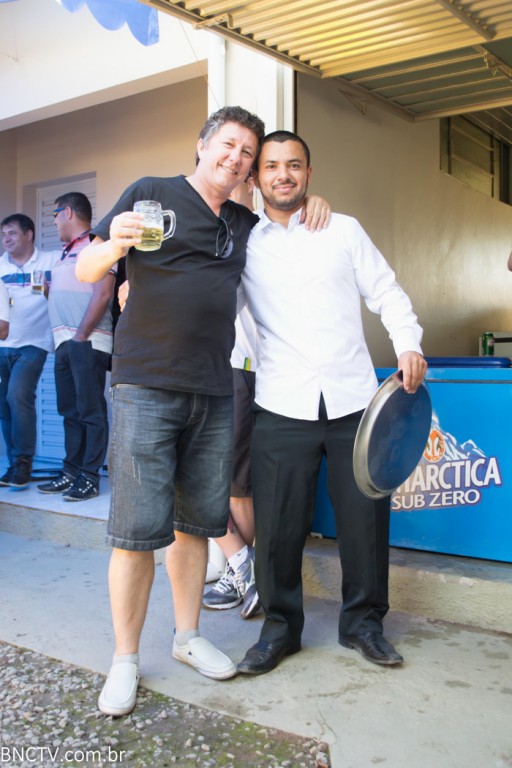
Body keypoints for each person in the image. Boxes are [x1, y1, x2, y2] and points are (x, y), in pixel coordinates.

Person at [77, 106, 329, 718]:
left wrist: (314, 204)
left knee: (195, 525)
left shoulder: (244, 223)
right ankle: (125, 658)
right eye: (229, 145)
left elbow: (290, 226)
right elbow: (88, 269)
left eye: (247, 153)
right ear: (202, 144)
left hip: (215, 390)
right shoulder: (151, 192)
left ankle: (187, 637)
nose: (237, 159)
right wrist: (116, 243)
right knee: (136, 532)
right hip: (144, 385)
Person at [236, 130, 427, 676]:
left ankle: (363, 625)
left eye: (294, 165)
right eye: (272, 166)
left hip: (353, 402)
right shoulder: (243, 243)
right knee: (278, 527)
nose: (283, 175)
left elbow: (386, 291)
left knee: (365, 521)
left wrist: (408, 344)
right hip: (281, 402)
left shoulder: (343, 229)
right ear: (256, 178)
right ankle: (279, 631)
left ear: (309, 174)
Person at [203, 176, 260, 619]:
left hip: (241, 367)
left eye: (242, 174)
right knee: (197, 479)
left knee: (235, 485)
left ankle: (241, 570)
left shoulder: (258, 233)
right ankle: (242, 565)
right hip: (204, 369)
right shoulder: (199, 225)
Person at [36, 193, 115, 502]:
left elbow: (104, 293)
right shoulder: (64, 253)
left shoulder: (98, 246)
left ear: (67, 212)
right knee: (69, 411)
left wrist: (81, 336)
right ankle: (71, 471)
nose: (55, 221)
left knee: (90, 411)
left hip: (88, 340)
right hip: (64, 342)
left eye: (56, 214)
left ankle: (89, 477)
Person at [0, 214, 59, 489]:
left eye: (11, 233)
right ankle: (14, 465)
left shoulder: (51, 261)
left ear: (29, 234)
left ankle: (23, 461)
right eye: (3, 234)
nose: (6, 239)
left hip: (34, 344)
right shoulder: (0, 266)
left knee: (18, 395)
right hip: (2, 346)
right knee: (4, 404)